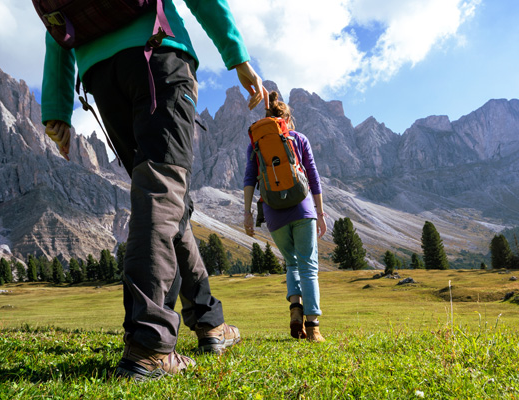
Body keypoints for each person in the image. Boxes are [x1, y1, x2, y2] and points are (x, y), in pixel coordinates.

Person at [40, 0, 268, 380]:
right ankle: (149, 345)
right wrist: (238, 55)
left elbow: (57, 20)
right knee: (161, 195)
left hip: (100, 75)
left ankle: (209, 323)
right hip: (156, 54)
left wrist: (57, 105)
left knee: (167, 200)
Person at [243, 91, 327, 342]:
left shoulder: (255, 144)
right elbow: (313, 176)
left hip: (273, 212)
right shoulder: (299, 139)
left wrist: (247, 213)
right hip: (302, 208)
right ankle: (313, 327)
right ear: (287, 119)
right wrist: (320, 212)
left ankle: (295, 310)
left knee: (292, 264)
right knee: (308, 266)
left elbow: (249, 179)